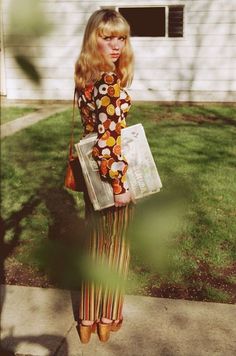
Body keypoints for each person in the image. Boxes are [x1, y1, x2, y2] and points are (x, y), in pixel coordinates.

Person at [74, 8, 135, 343]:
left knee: (94, 247)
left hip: (89, 179)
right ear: (93, 37)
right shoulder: (109, 81)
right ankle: (107, 319)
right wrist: (120, 185)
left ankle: (86, 320)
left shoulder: (86, 76)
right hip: (111, 179)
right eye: (107, 37)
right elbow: (108, 141)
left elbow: (92, 132)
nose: (116, 46)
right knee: (116, 250)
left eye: (121, 38)